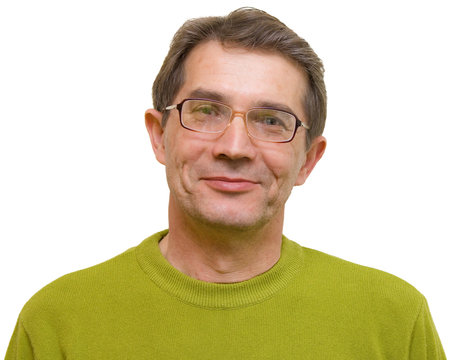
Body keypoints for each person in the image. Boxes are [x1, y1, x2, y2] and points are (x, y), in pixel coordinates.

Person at [5, 7, 446, 359]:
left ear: (308, 160)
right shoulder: (56, 321)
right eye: (206, 110)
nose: (234, 146)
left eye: (272, 120)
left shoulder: (393, 319)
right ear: (159, 136)